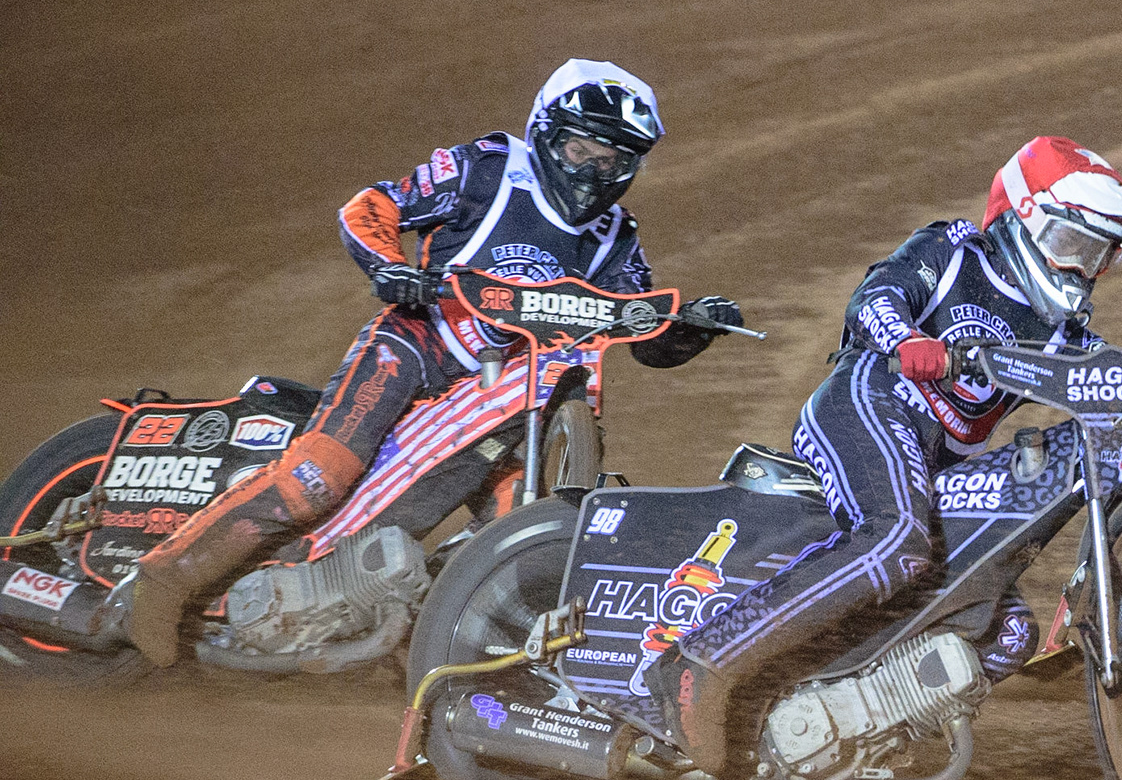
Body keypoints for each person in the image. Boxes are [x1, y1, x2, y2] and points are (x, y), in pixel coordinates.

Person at [644, 136, 1122, 777]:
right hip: (866, 402)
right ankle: (702, 663)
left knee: (1003, 630)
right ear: (1020, 219)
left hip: (936, 462)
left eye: (1099, 256)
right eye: (1071, 245)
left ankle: (838, 730)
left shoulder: (1063, 334)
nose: (1081, 270)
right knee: (897, 539)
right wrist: (910, 340)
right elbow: (875, 297)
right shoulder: (953, 253)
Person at [122, 58, 743, 666]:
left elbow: (641, 332)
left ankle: (442, 656)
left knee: (516, 535)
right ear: (547, 134)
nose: (597, 171)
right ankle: (163, 583)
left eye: (616, 159)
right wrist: (390, 268)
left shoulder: (616, 235)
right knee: (317, 478)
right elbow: (374, 205)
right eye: (585, 151)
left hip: (505, 399)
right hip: (415, 347)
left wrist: (694, 327)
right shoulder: (487, 169)